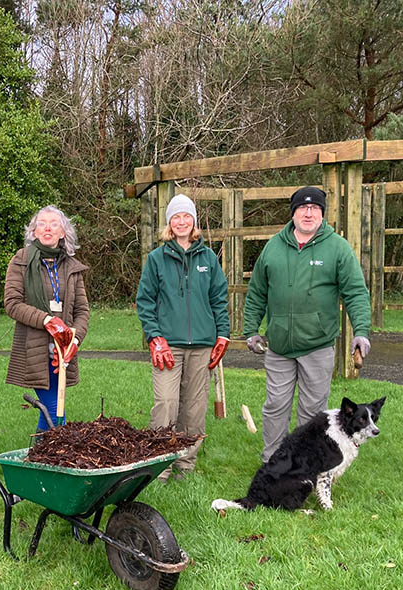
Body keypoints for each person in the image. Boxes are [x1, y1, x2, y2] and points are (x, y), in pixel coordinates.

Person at [243, 186, 372, 463]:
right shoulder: (273, 247)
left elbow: (356, 292)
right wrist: (251, 330)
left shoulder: (337, 247)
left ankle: (303, 465)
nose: (308, 212)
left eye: (315, 208)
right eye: (303, 207)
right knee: (275, 406)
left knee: (312, 411)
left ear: (323, 213)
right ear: (293, 213)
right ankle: (273, 463)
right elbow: (256, 292)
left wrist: (361, 331)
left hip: (317, 345)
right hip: (279, 346)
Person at [136, 194, 230, 478]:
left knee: (194, 407)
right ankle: (160, 465)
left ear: (194, 221)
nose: (181, 221)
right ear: (169, 223)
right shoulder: (156, 259)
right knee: (166, 403)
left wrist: (222, 335)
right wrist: (154, 336)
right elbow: (145, 301)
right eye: (175, 217)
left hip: (202, 345)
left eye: (186, 216)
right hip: (168, 346)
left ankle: (186, 466)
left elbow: (219, 299)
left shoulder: (208, 259)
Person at [4, 206, 89, 432]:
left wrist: (75, 339)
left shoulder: (72, 266)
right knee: (54, 409)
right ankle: (45, 459)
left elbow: (82, 311)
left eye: (54, 223)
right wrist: (47, 321)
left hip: (62, 350)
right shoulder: (21, 261)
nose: (48, 227)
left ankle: (42, 459)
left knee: (55, 408)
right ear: (33, 231)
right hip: (34, 348)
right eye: (42, 223)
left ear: (63, 232)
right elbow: (12, 303)